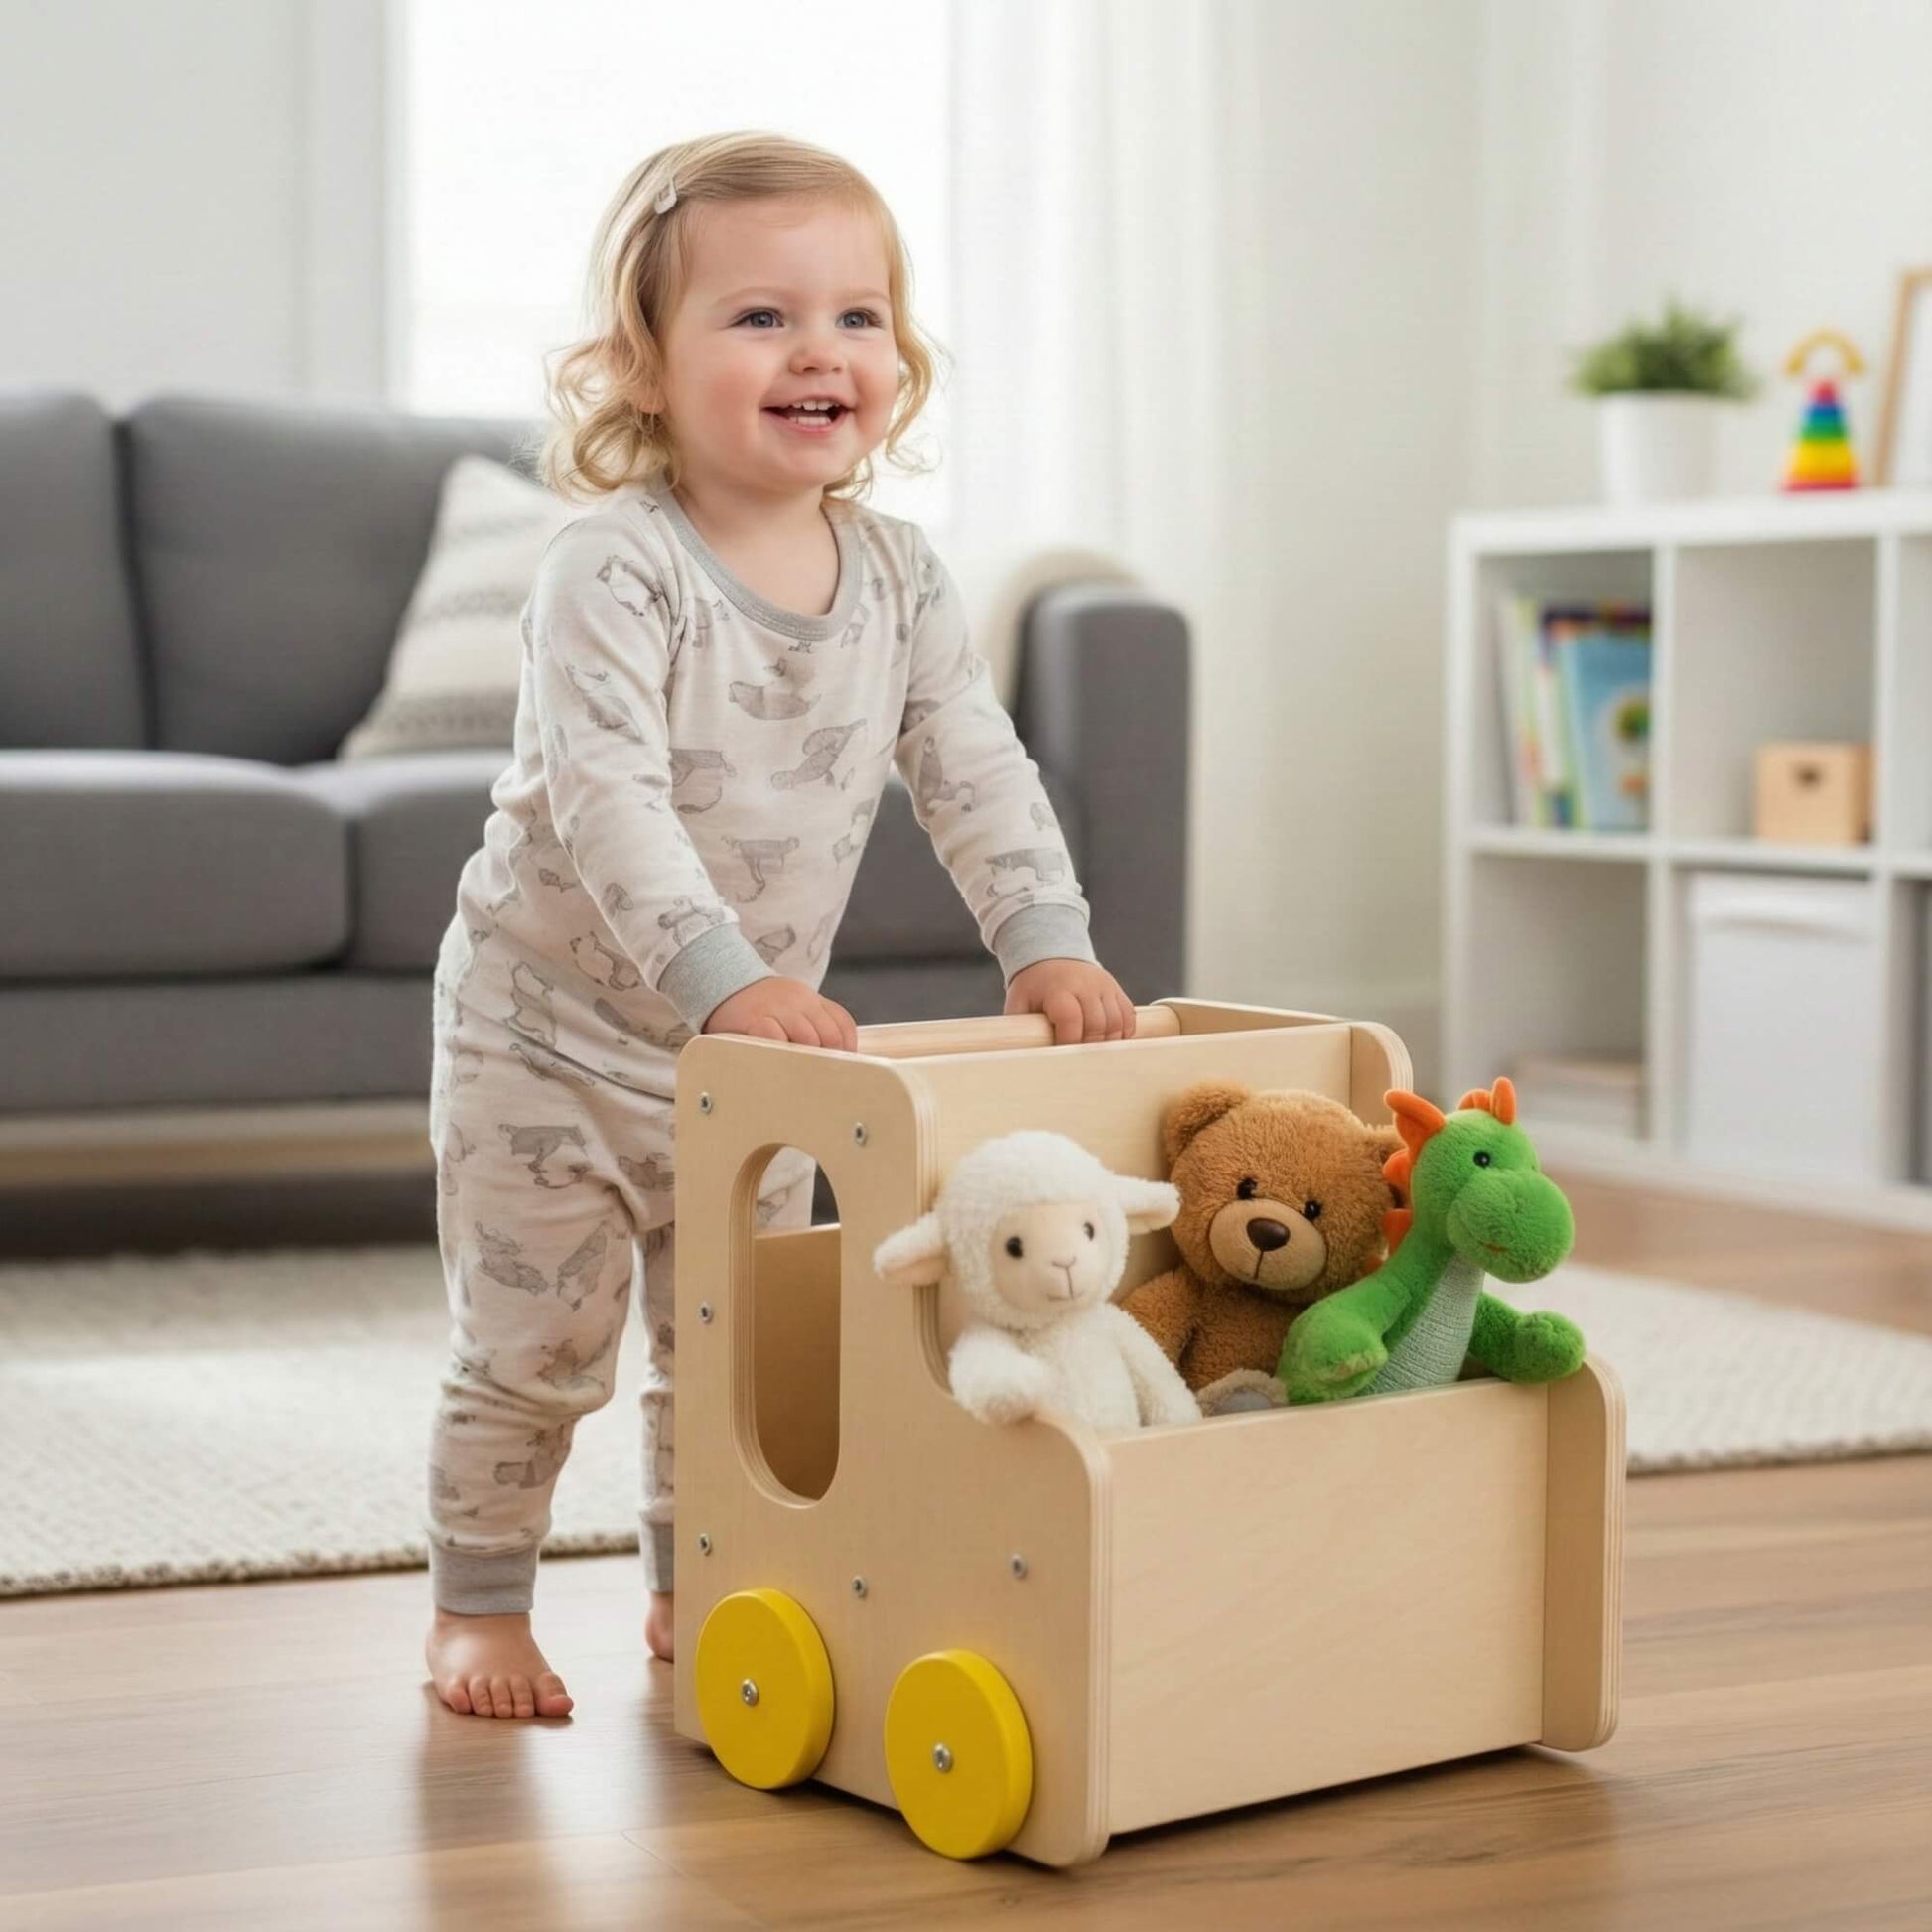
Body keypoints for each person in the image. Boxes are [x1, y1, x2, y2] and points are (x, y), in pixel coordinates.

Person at [423, 131, 1138, 1720]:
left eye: (858, 316)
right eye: (759, 317)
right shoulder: (611, 568)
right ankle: (478, 1602)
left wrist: (1044, 933)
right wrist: (723, 976)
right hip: (547, 1035)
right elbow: (607, 803)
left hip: (748, 1067)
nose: (819, 350)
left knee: (743, 1346)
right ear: (643, 363)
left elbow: (975, 765)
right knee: (538, 1350)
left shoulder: (900, 575)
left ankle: (705, 1578)